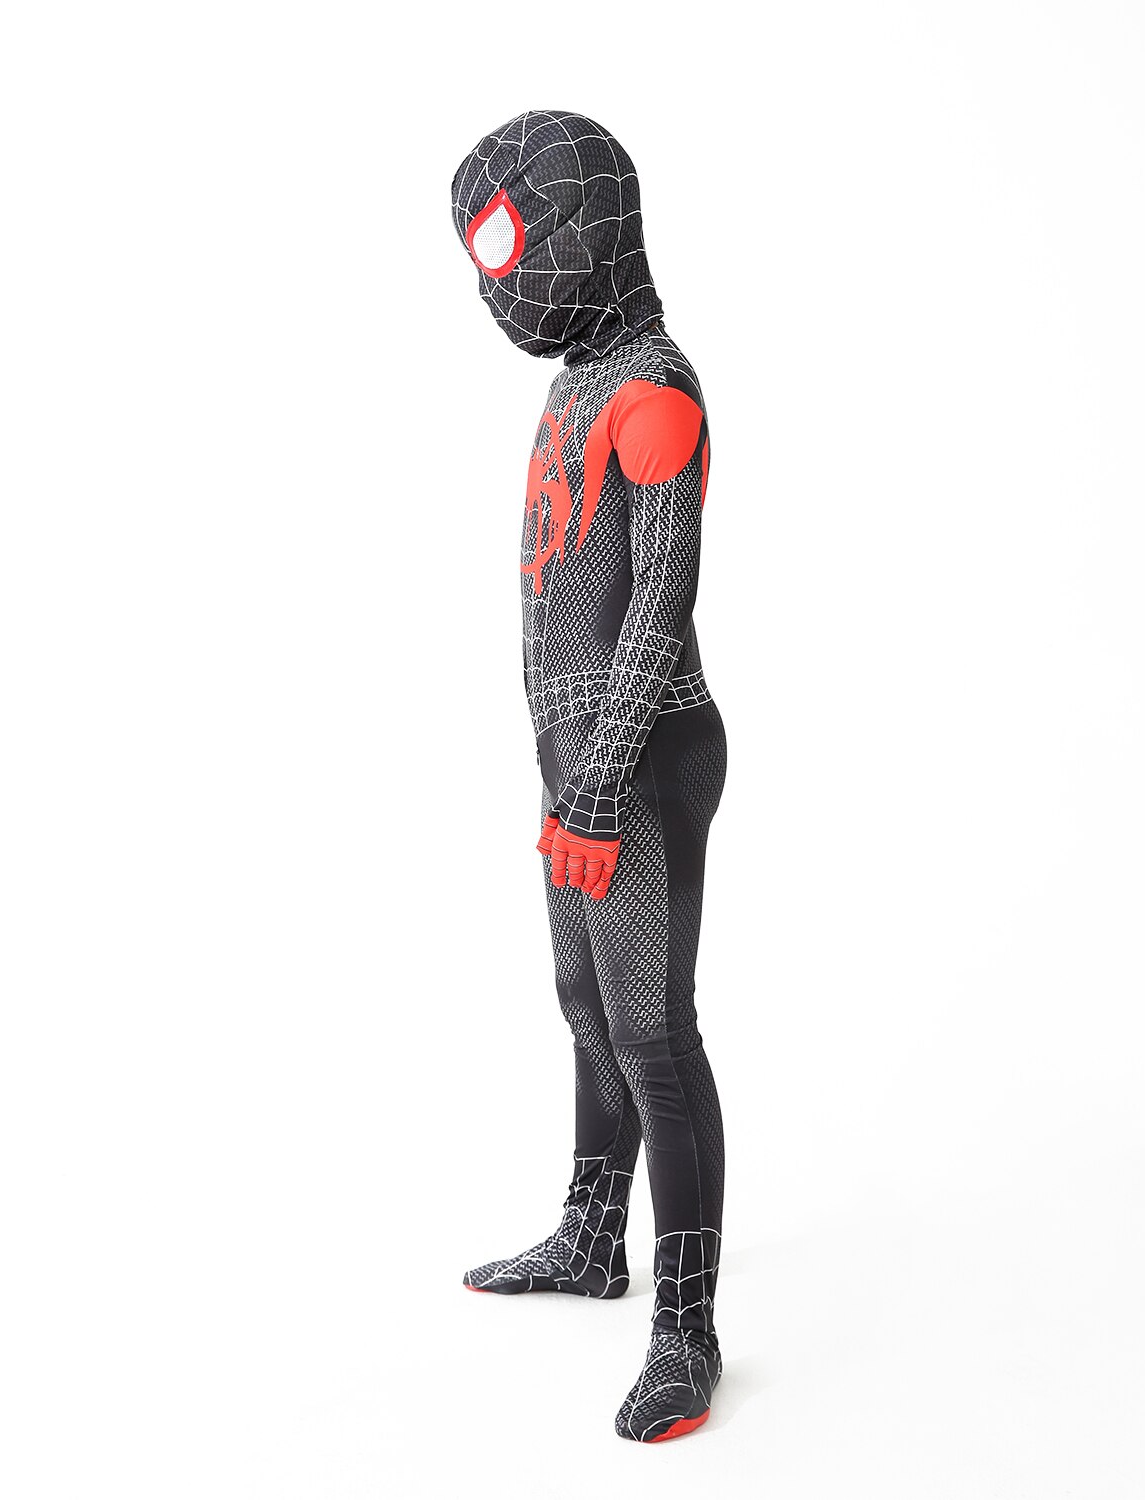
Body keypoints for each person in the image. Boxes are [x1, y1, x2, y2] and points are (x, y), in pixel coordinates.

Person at [450, 109, 728, 1444]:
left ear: (582, 230)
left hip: (645, 749)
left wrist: (606, 783)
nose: (494, 284)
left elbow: (660, 604)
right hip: (577, 757)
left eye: (507, 244)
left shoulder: (654, 388)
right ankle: (589, 1233)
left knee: (652, 1033)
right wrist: (571, 778)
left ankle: (686, 1329)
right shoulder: (578, 380)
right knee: (583, 1002)